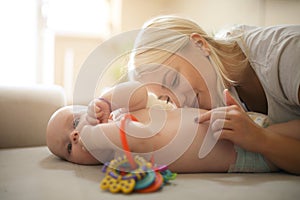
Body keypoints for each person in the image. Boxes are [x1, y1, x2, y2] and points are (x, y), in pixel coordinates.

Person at [126, 15, 300, 174]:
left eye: (174, 80)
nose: (181, 101)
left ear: (200, 45)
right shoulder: (214, 85)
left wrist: (260, 139)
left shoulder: (285, 53)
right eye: (167, 99)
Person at [46, 81, 278, 173]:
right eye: (68, 148)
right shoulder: (122, 158)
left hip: (241, 121)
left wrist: (106, 100)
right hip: (243, 151)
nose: (75, 135)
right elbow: (141, 137)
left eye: (75, 122)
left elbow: (138, 91)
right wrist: (91, 134)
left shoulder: (121, 112)